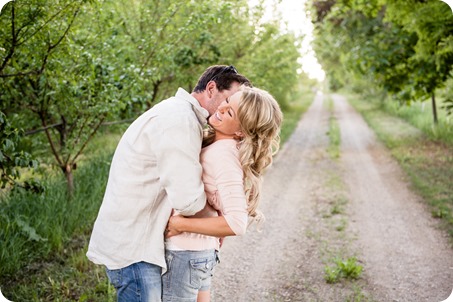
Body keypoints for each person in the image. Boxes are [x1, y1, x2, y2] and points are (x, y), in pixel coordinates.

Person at [86, 65, 251, 302]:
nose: (228, 107)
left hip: (141, 241)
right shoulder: (179, 120)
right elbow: (189, 201)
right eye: (228, 100)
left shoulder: (180, 115)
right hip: (136, 248)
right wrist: (214, 222)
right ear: (212, 88)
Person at [162, 86, 283, 302]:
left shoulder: (224, 155)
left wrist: (180, 224)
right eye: (227, 100)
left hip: (186, 252)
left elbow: (237, 222)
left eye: (229, 112)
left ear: (241, 132)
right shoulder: (222, 146)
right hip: (198, 253)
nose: (221, 107)